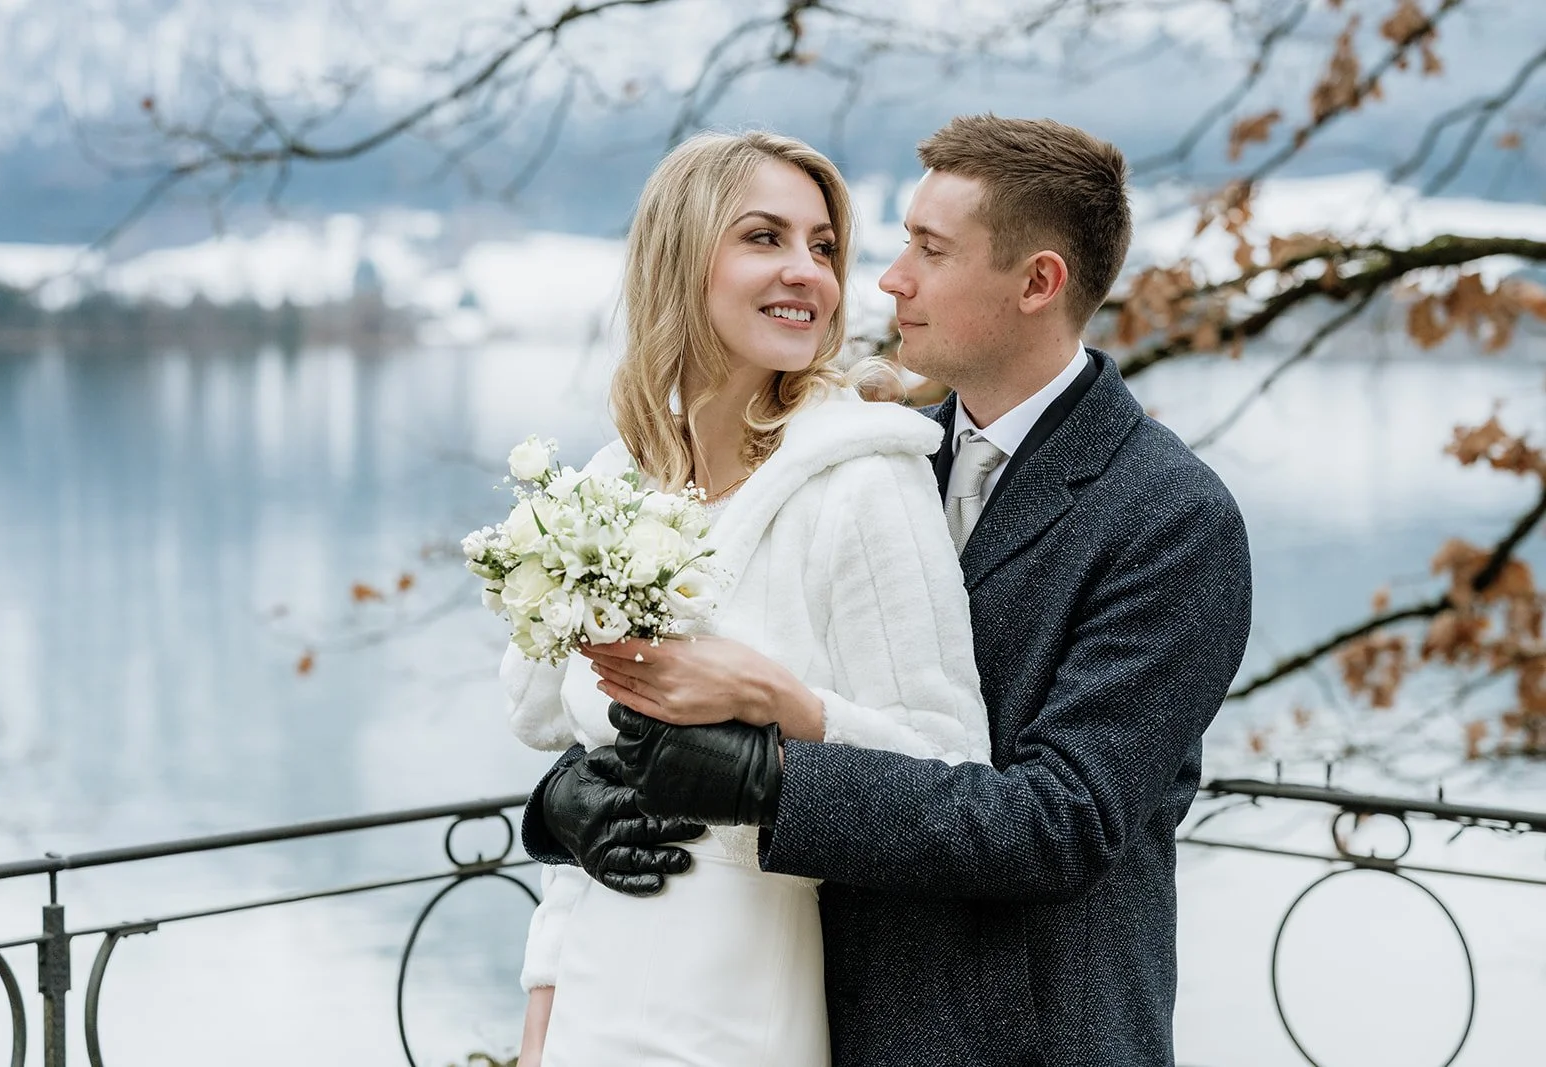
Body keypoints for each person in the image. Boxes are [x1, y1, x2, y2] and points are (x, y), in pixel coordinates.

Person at [530, 115, 1255, 1066]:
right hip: (805, 1010)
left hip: (1015, 1043)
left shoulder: (1170, 515)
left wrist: (770, 772)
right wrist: (564, 798)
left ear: (1038, 282)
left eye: (930, 250)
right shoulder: (868, 449)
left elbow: (1061, 823)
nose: (888, 279)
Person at [501, 130, 991, 1067]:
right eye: (765, 237)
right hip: (593, 988)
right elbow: (595, 776)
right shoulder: (611, 490)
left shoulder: (863, 474)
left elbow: (948, 764)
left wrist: (779, 707)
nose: (808, 271)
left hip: (741, 987)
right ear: (682, 259)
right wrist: (542, 1015)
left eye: (823, 247)